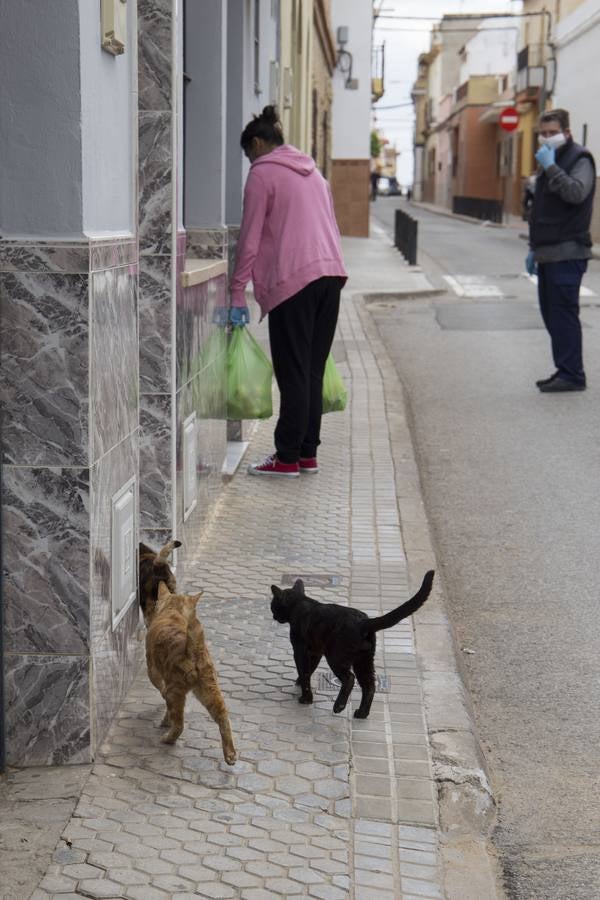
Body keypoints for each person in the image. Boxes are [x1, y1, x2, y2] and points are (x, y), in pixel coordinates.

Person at [229, 105, 347, 477]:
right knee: (311, 370)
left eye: (249, 154)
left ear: (258, 144)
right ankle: (307, 453)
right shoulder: (315, 174)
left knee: (293, 372)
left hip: (295, 281)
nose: (250, 162)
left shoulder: (263, 174)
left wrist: (237, 291)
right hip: (332, 275)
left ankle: (286, 457)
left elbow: (248, 239)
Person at [526, 108, 596, 392]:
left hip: (568, 250)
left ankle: (573, 375)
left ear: (566, 132)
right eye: (542, 134)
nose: (546, 138)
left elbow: (577, 193)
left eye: (552, 132)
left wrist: (552, 167)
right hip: (548, 251)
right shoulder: (548, 161)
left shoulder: (579, 158)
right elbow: (543, 207)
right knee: (551, 314)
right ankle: (564, 368)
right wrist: (534, 248)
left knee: (564, 314)